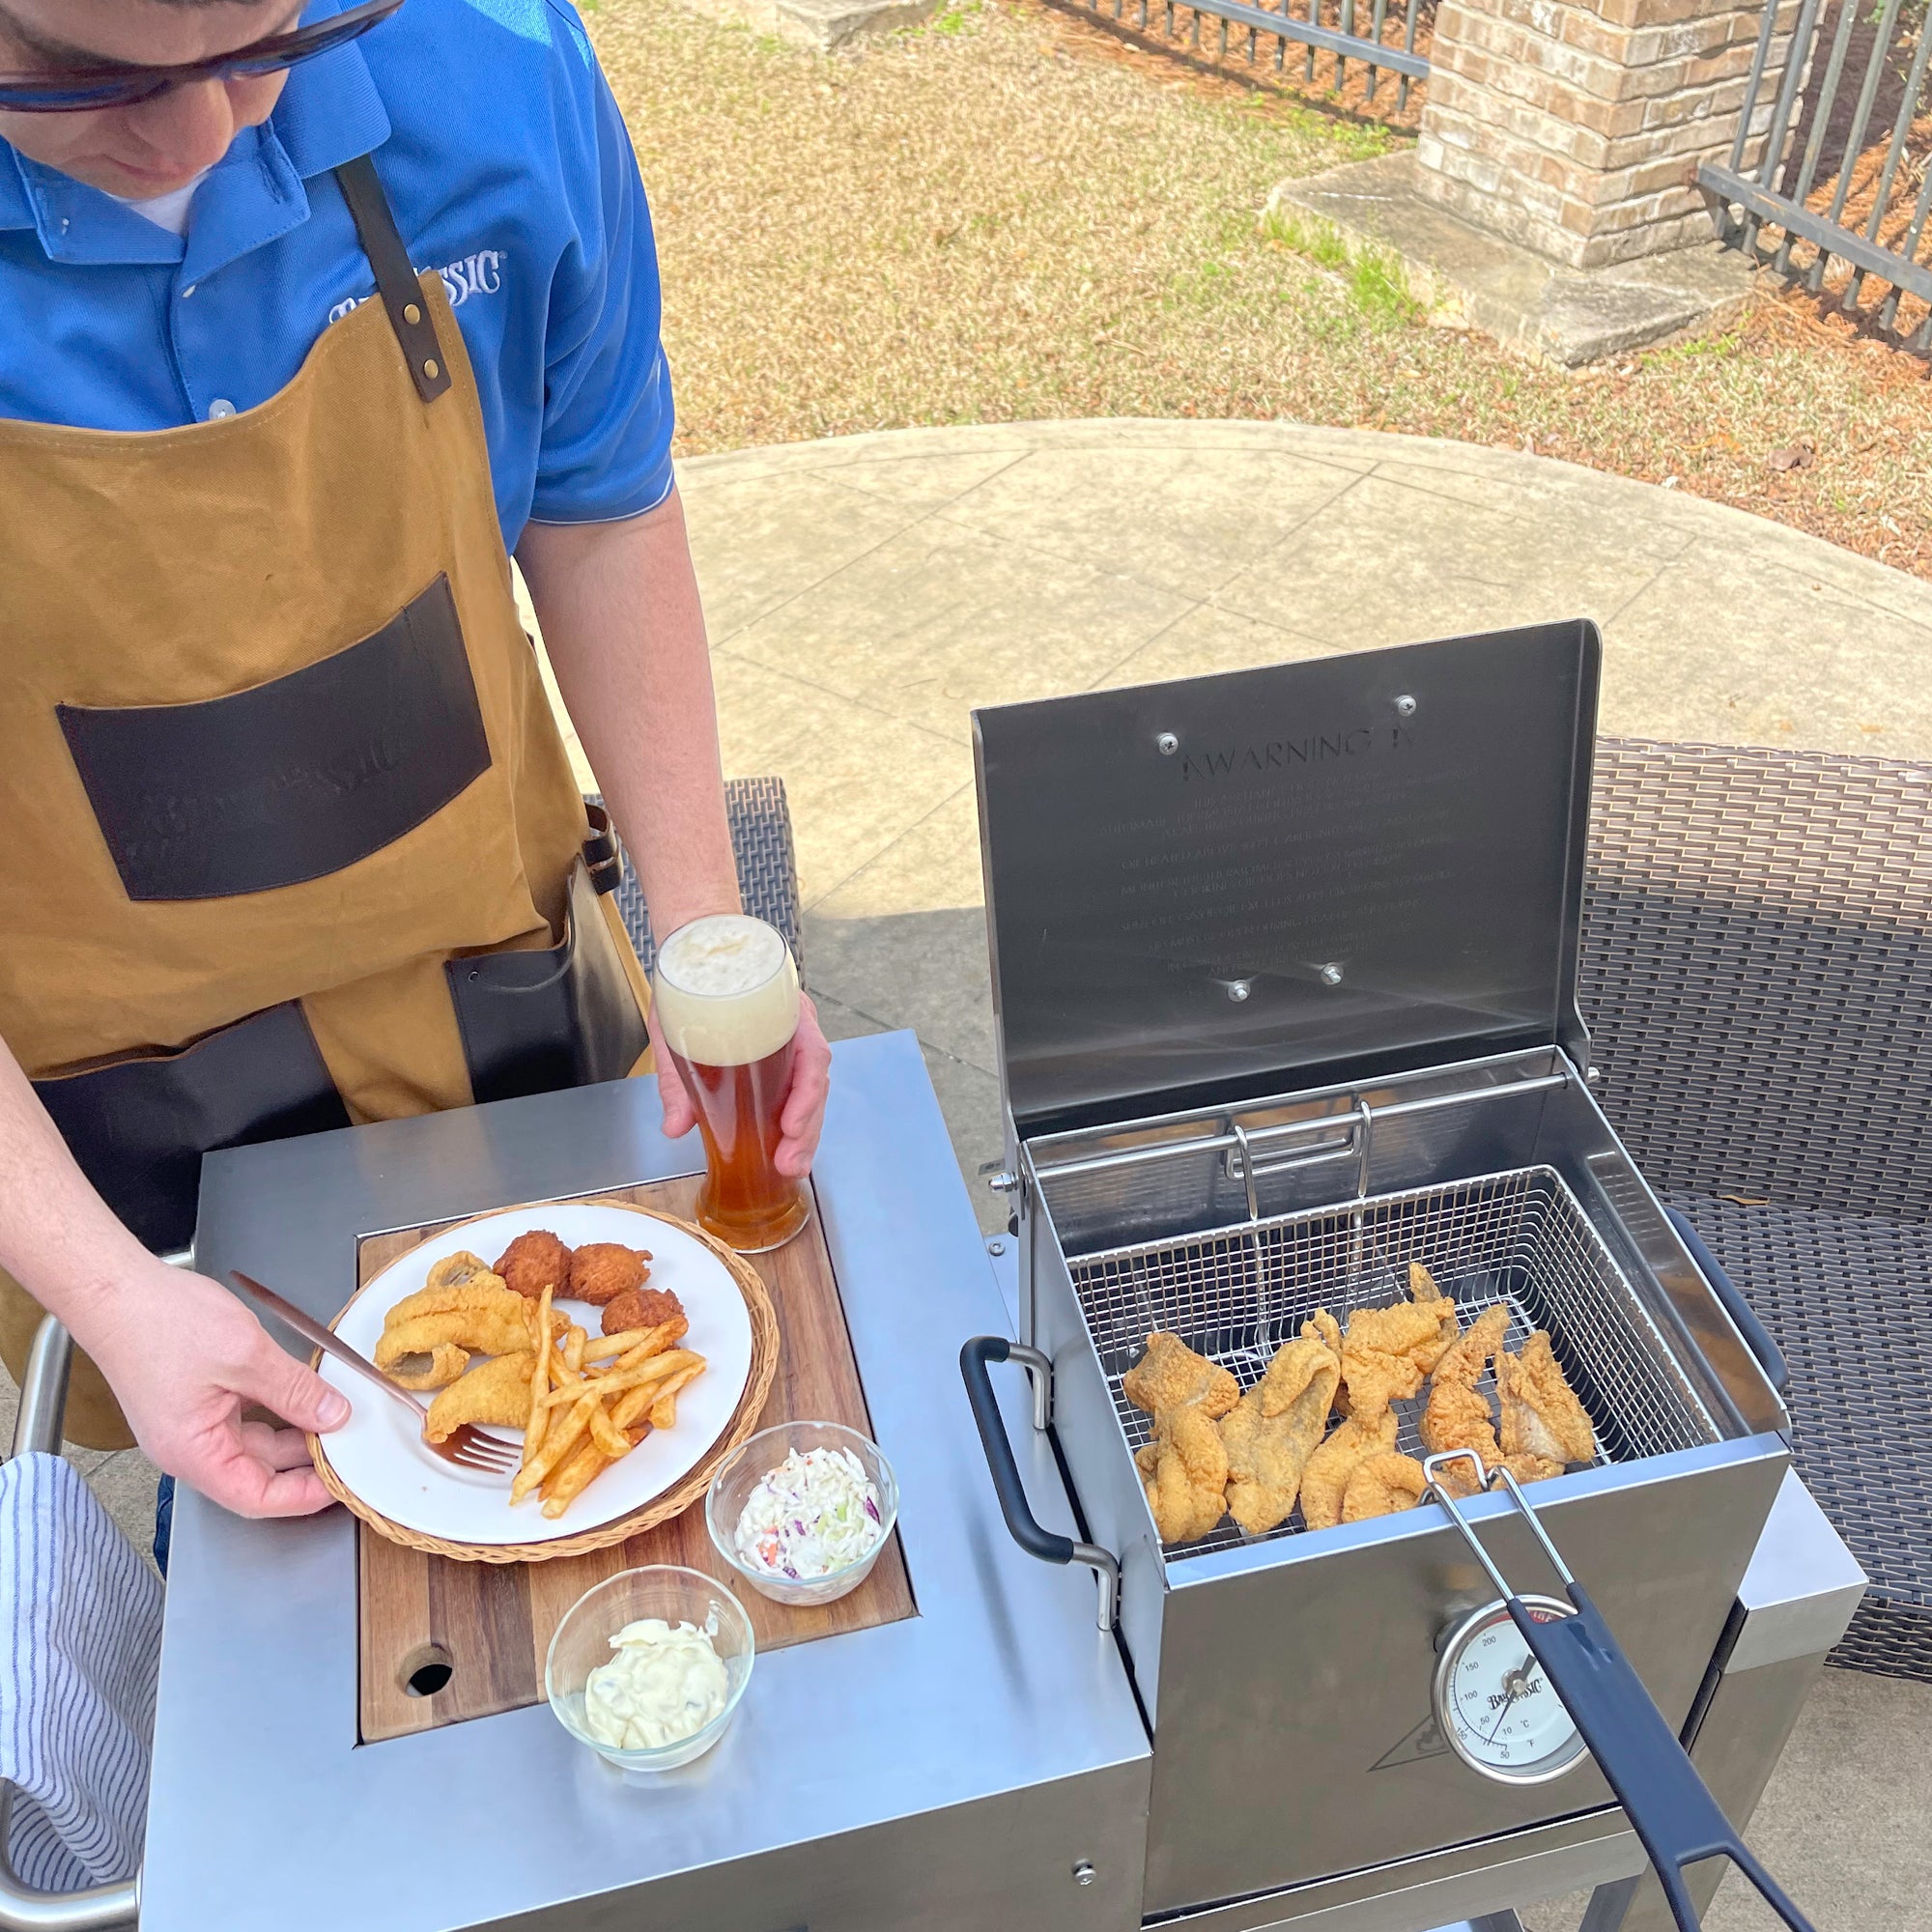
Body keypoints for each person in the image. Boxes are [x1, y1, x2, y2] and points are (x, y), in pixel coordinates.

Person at [0, 0, 831, 1521]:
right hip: (131, 1142)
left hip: (502, 1011)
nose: (201, 133)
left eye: (270, 40)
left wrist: (708, 943)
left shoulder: (497, 66)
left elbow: (600, 507)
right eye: (80, 74)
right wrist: (109, 1291)